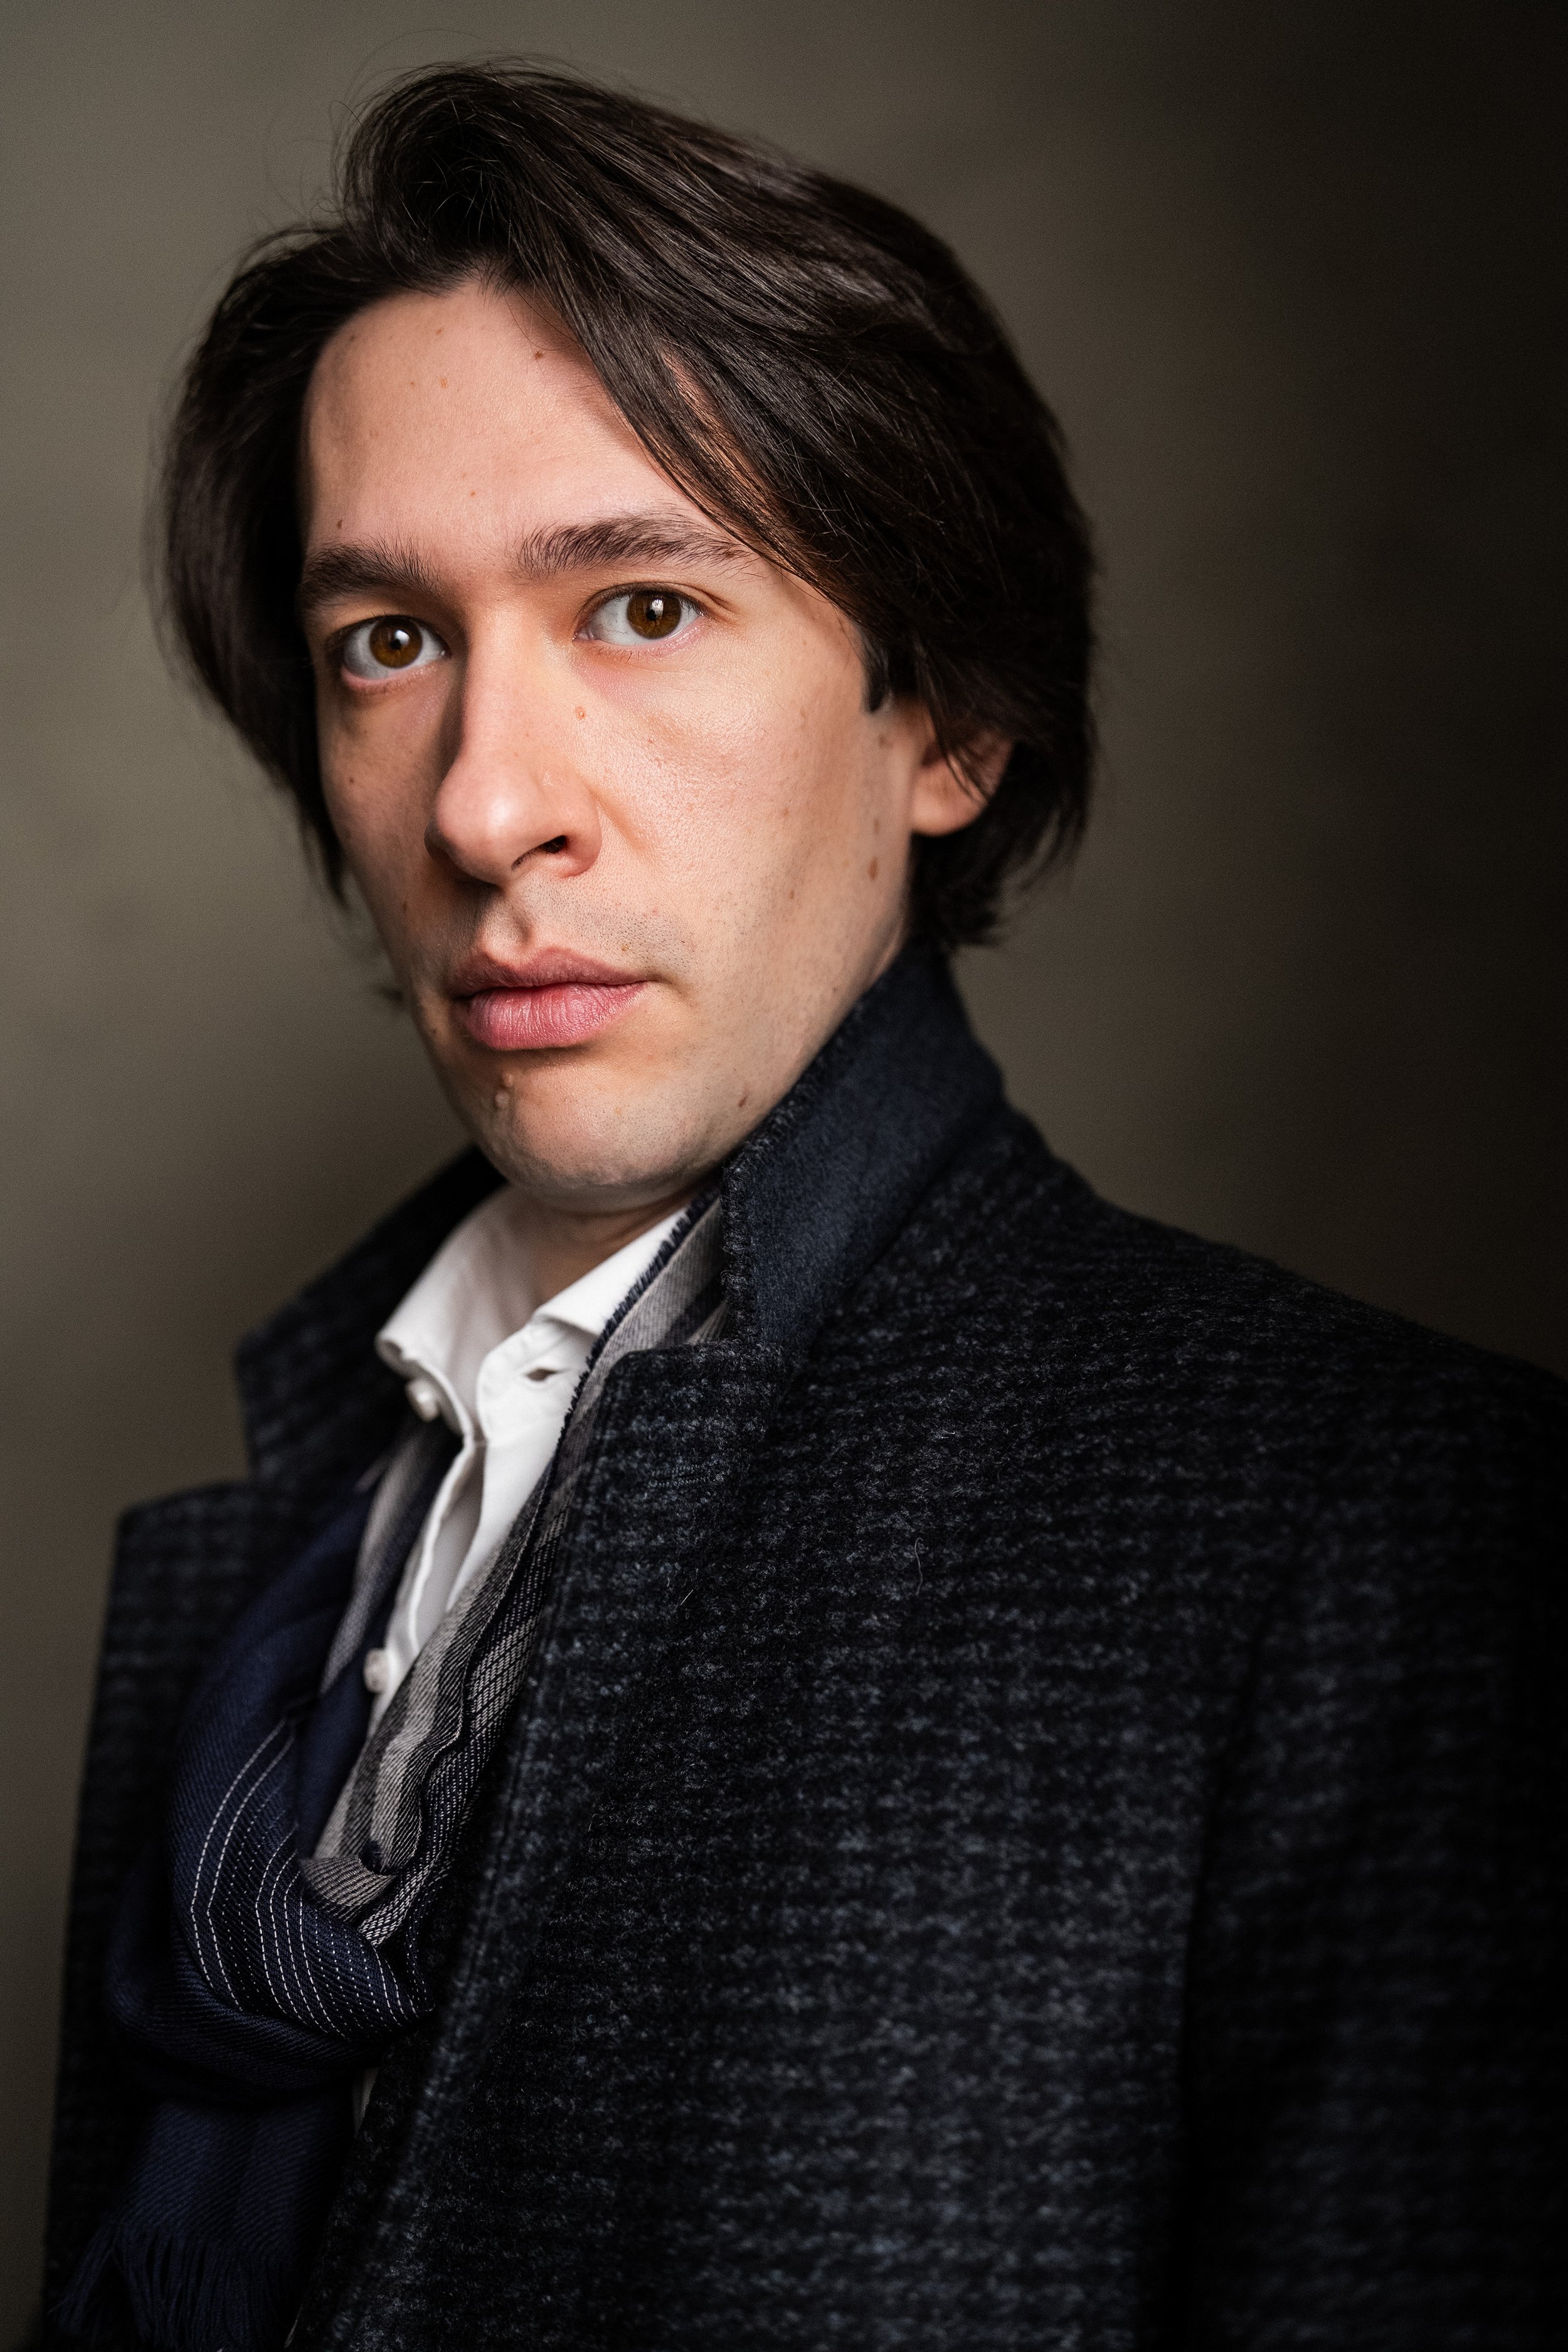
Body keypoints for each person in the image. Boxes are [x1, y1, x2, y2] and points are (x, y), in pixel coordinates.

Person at [43, 61, 1562, 2352]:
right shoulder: (284, 1564)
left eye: (642, 606)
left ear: (940, 718)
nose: (485, 802)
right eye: (390, 641)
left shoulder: (1392, 1545)